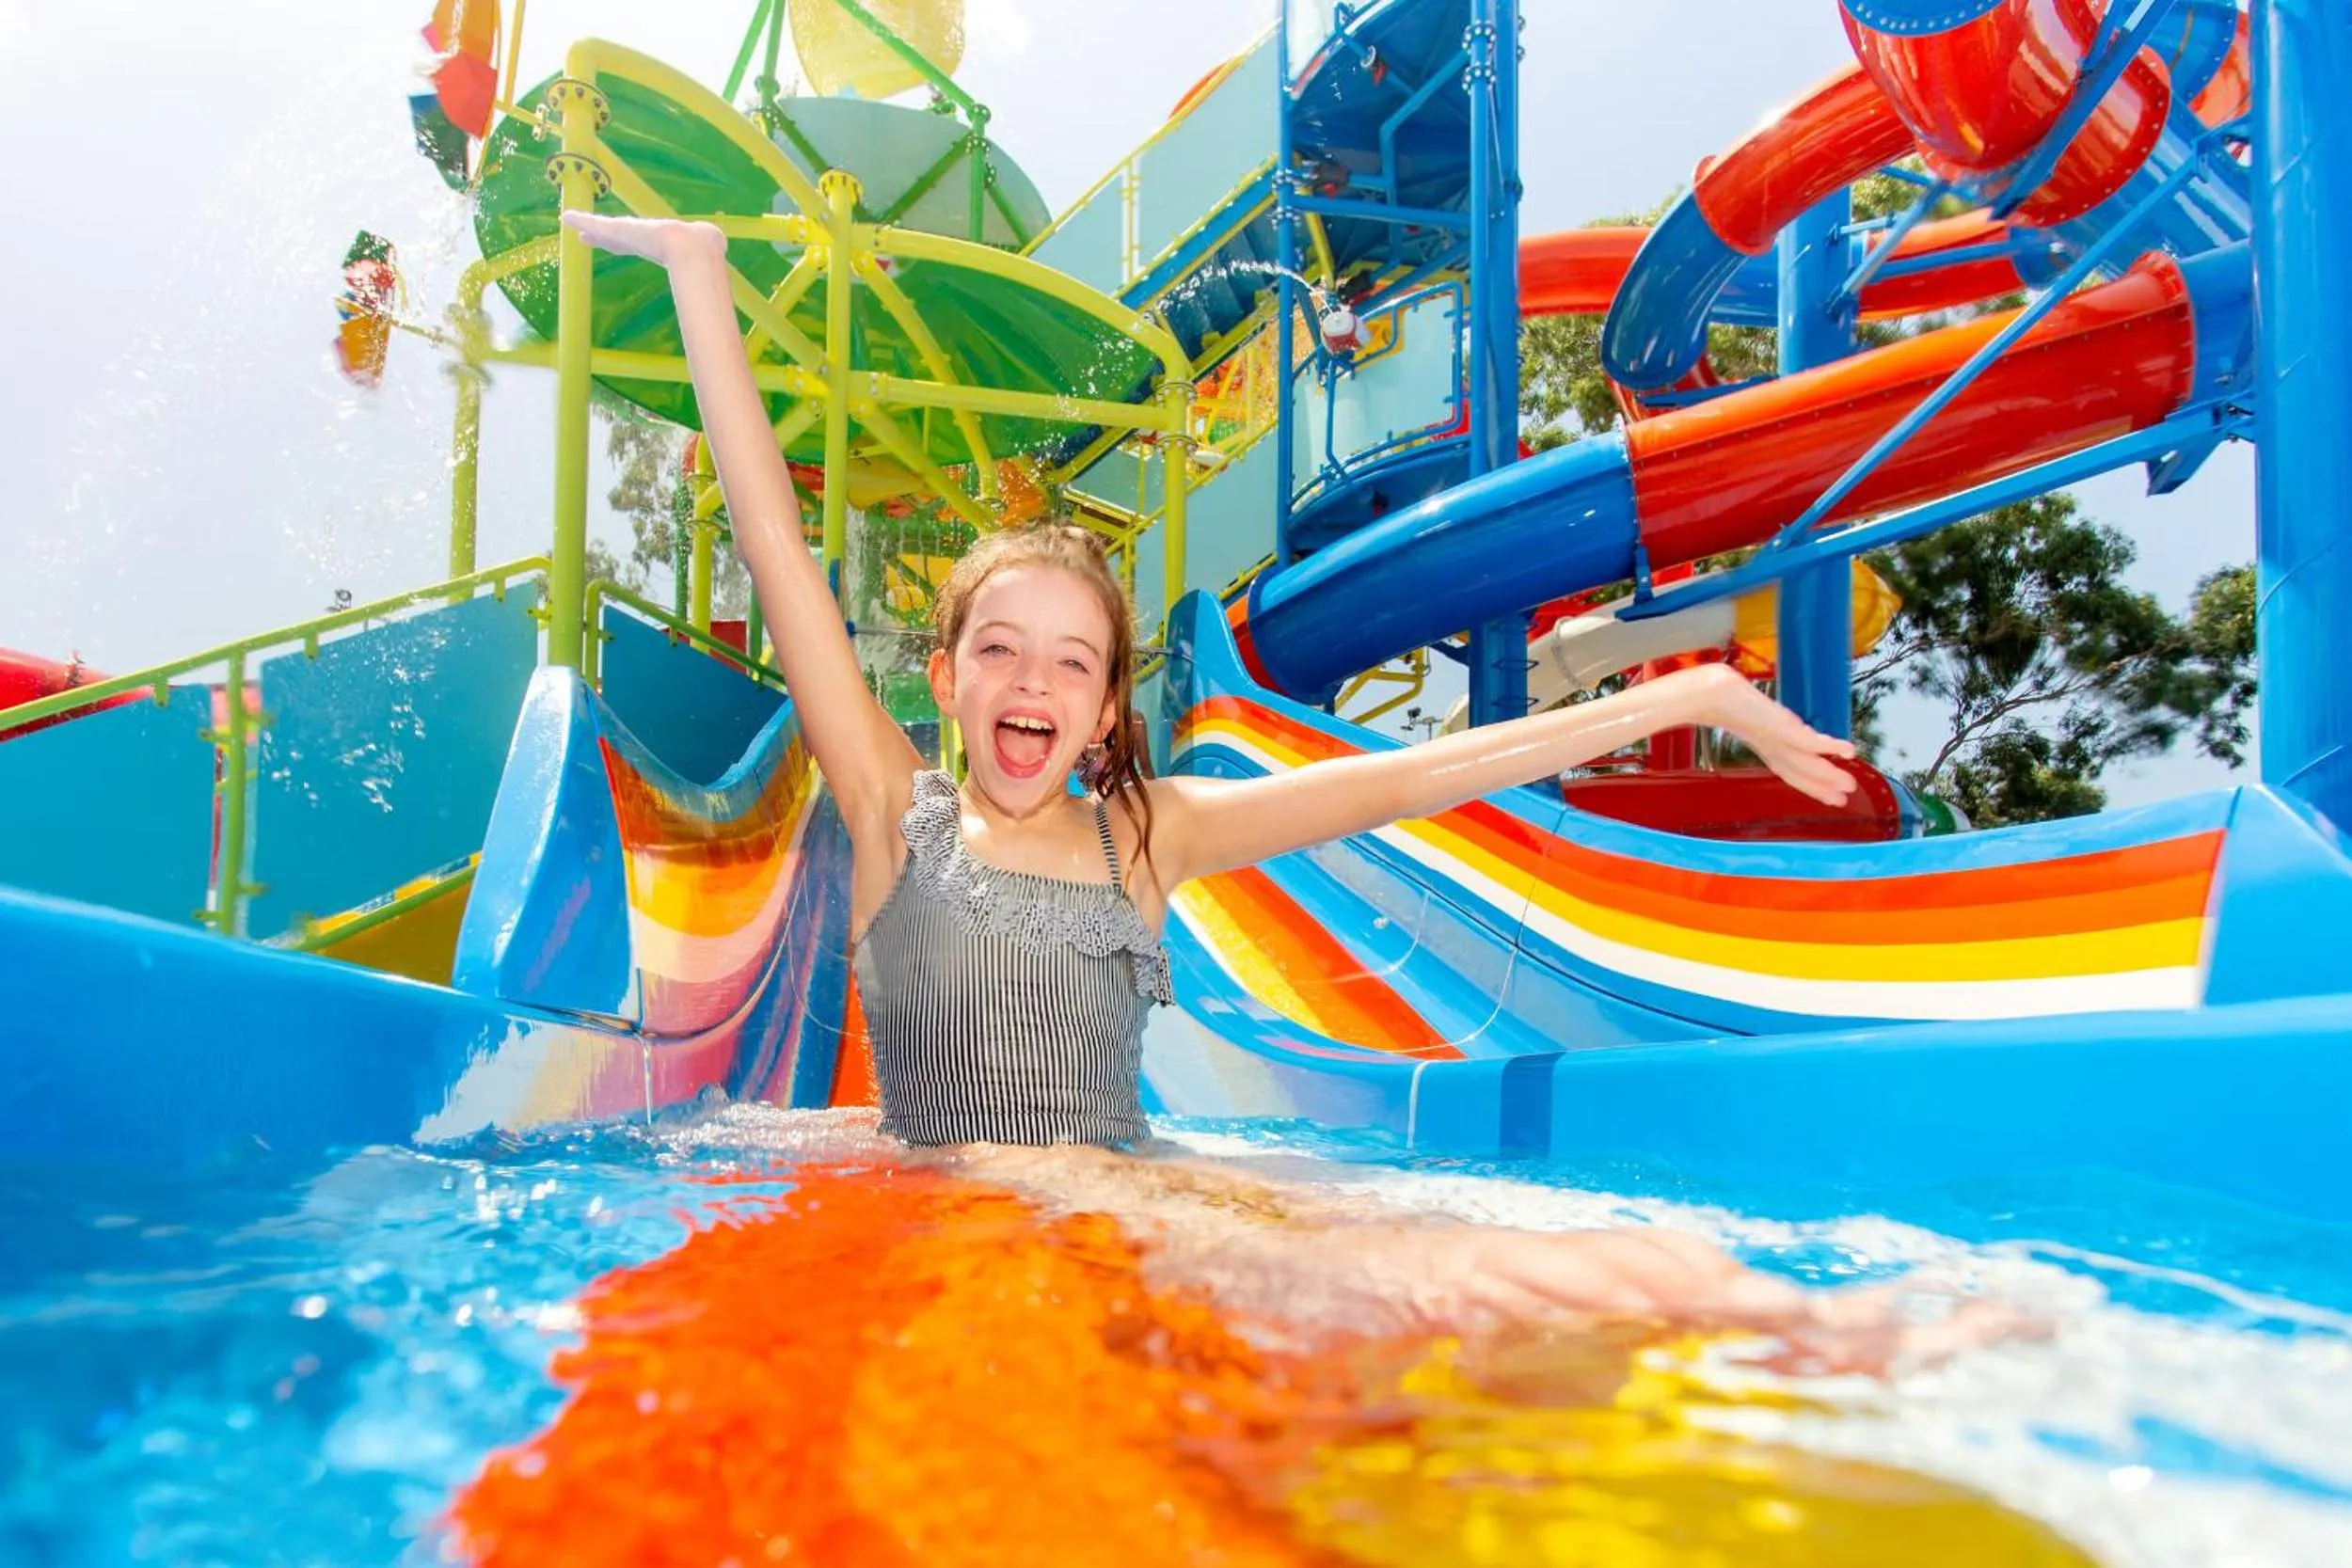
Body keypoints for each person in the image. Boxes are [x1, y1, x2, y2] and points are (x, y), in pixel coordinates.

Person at [561, 212, 1954, 1342]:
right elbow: (777, 548)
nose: (1033, 684)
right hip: (976, 1206)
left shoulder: (1145, 835)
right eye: (1000, 650)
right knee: (1477, 1305)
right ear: (943, 678)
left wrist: (1702, 686)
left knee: (1628, 1268)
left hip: (1145, 1187)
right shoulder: (890, 810)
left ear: (1109, 702)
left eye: (1071, 662)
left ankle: (1902, 1354)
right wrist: (700, 279)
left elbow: (1414, 781)